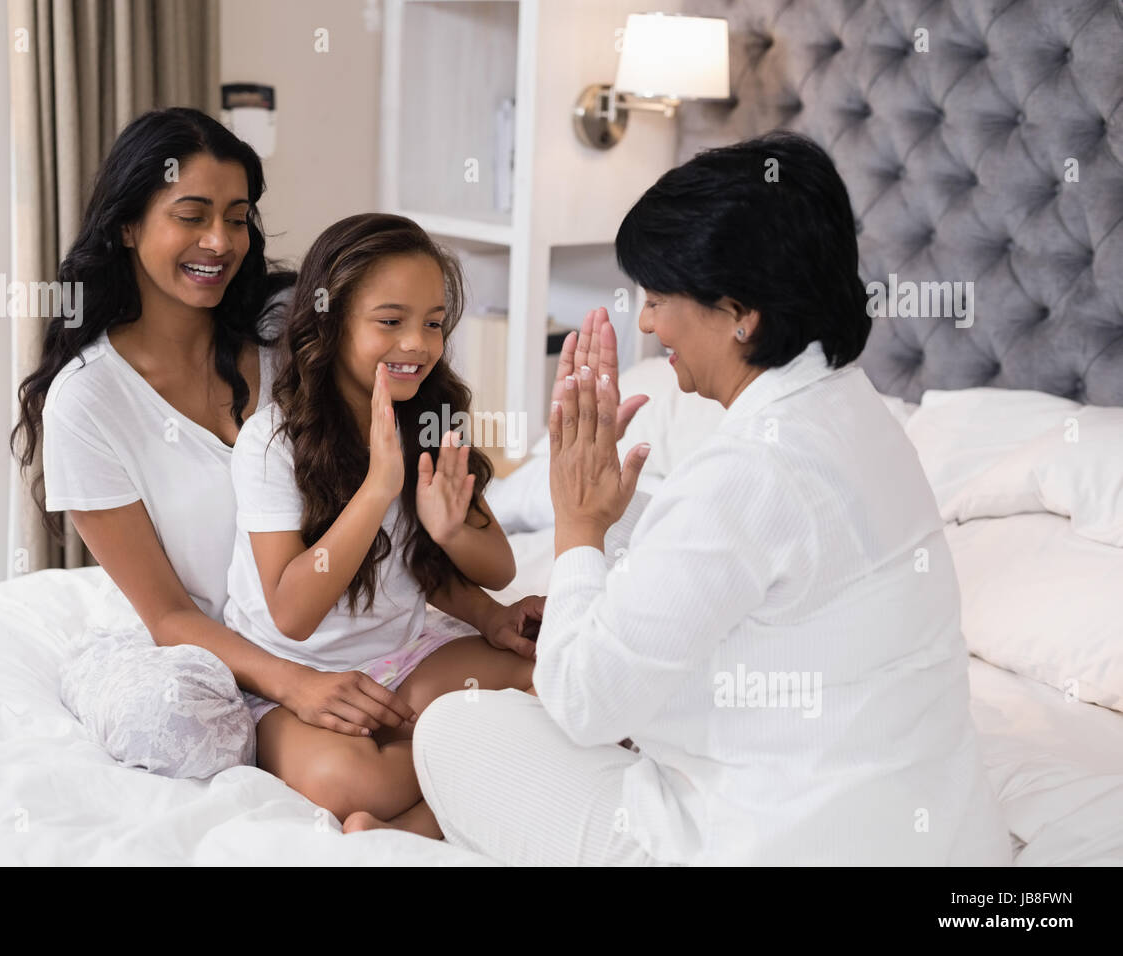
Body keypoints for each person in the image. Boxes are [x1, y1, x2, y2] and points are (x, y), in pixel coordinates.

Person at [402, 131, 1012, 865]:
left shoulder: (747, 470)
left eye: (659, 298)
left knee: (454, 729)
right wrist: (608, 530)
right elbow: (724, 596)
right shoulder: (859, 412)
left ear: (737, 313)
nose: (648, 324)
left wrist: (577, 525)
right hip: (940, 838)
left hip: (768, 844)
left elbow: (581, 700)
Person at [12, 108, 413, 776]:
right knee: (178, 726)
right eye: (192, 215)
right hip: (200, 646)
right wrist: (293, 684)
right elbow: (168, 614)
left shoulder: (291, 333)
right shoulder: (87, 401)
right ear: (128, 225)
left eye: (237, 216)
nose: (220, 241)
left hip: (335, 623)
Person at [224, 212, 545, 828]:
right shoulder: (272, 442)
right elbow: (292, 613)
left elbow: (496, 568)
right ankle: (459, 781)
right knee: (351, 783)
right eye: (390, 322)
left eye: (433, 324)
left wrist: (458, 549)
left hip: (410, 657)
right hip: (301, 679)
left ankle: (404, 832)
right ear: (331, 322)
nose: (418, 345)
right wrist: (376, 491)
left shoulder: (427, 419)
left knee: (556, 685)